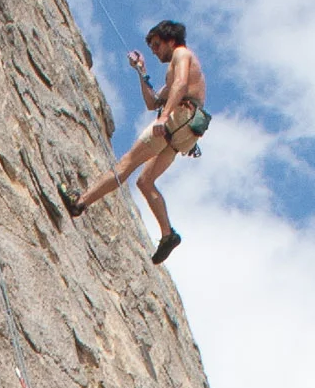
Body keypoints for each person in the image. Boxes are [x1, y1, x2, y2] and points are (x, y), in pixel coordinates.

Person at [65, 19, 208, 264]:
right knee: (145, 181)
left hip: (179, 118)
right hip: (186, 132)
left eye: (157, 45)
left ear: (170, 40)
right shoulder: (175, 71)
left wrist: (164, 116)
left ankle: (80, 203)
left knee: (127, 163)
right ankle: (167, 234)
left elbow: (181, 84)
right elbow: (153, 101)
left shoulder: (181, 54)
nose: (155, 51)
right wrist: (140, 70)